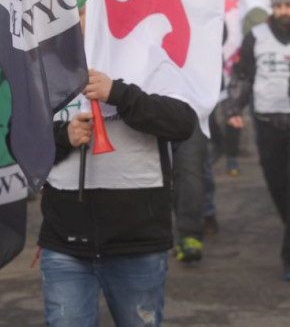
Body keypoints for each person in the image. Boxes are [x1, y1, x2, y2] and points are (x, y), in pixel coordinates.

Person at [38, 69, 197, 327]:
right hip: (64, 242)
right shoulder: (43, 64)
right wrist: (63, 136)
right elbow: (18, 141)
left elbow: (183, 123)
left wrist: (118, 93)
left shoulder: (150, 56)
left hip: (137, 243)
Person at [227, 0, 290, 281]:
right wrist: (235, 108)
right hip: (266, 122)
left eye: (289, 5)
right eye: (278, 6)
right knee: (278, 187)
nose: (283, 11)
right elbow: (242, 74)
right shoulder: (257, 36)